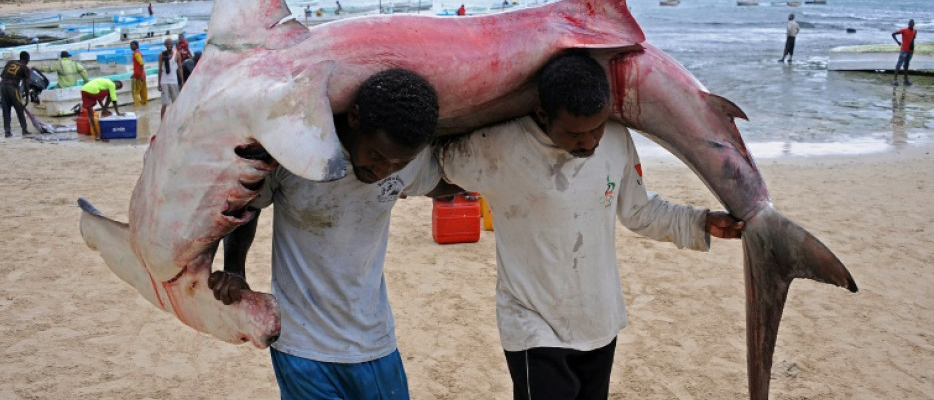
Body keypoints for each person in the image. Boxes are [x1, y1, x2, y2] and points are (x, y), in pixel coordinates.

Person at [439, 53, 744, 400]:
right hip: (532, 324)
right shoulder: (497, 146)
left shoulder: (615, 138)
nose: (589, 142)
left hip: (599, 320)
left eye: (595, 127)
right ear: (542, 114)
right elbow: (435, 167)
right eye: (574, 133)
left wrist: (700, 221)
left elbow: (639, 210)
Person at [209, 69, 447, 400]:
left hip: (375, 341)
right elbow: (248, 204)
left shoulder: (405, 162)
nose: (382, 170)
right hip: (302, 346)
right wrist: (234, 268)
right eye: (376, 155)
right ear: (354, 118)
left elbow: (448, 179)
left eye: (397, 164)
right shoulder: (300, 155)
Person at [0, 51, 31, 138]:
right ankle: (24, 129)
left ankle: (7, 132)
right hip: (12, 87)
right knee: (19, 108)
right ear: (27, 59)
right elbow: (26, 84)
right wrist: (27, 98)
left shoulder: (10, 62)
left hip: (2, 85)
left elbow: (2, 76)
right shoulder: (25, 68)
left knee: (6, 109)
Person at [158, 38, 181, 118]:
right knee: (164, 103)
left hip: (174, 81)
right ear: (165, 45)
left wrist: (182, 81)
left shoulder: (177, 54)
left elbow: (180, 68)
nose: (169, 46)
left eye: (170, 44)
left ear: (173, 45)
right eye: (167, 44)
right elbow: (160, 69)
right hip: (164, 81)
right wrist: (159, 83)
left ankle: (176, 119)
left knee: (176, 102)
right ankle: (162, 122)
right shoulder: (162, 55)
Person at [891, 19, 917, 86]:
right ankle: (895, 80)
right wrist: (898, 42)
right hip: (904, 50)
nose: (912, 24)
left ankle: (905, 81)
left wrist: (912, 48)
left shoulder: (915, 31)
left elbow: (912, 40)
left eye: (913, 23)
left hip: (910, 51)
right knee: (899, 64)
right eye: (910, 23)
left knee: (906, 65)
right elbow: (893, 34)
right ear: (908, 24)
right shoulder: (904, 30)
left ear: (914, 24)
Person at [129, 40, 148, 107]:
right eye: (130, 45)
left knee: (135, 93)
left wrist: (139, 75)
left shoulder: (136, 54)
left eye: (132, 45)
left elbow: (141, 64)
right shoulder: (138, 53)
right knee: (143, 92)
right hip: (142, 75)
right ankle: (144, 105)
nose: (131, 46)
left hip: (138, 76)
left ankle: (137, 107)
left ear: (136, 46)